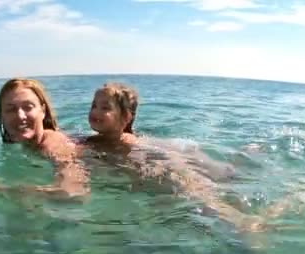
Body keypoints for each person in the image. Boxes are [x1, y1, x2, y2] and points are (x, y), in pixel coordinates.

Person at [81, 82, 280, 231]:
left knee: (192, 188)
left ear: (126, 117)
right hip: (175, 149)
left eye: (105, 107)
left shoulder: (115, 143)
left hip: (160, 157)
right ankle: (243, 159)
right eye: (94, 105)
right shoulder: (118, 139)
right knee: (222, 176)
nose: (95, 111)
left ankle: (242, 222)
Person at [0, 78, 88, 199]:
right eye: (11, 109)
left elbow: (73, 193)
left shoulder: (52, 145)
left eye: (28, 107)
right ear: (1, 116)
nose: (20, 116)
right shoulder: (33, 144)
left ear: (42, 111)